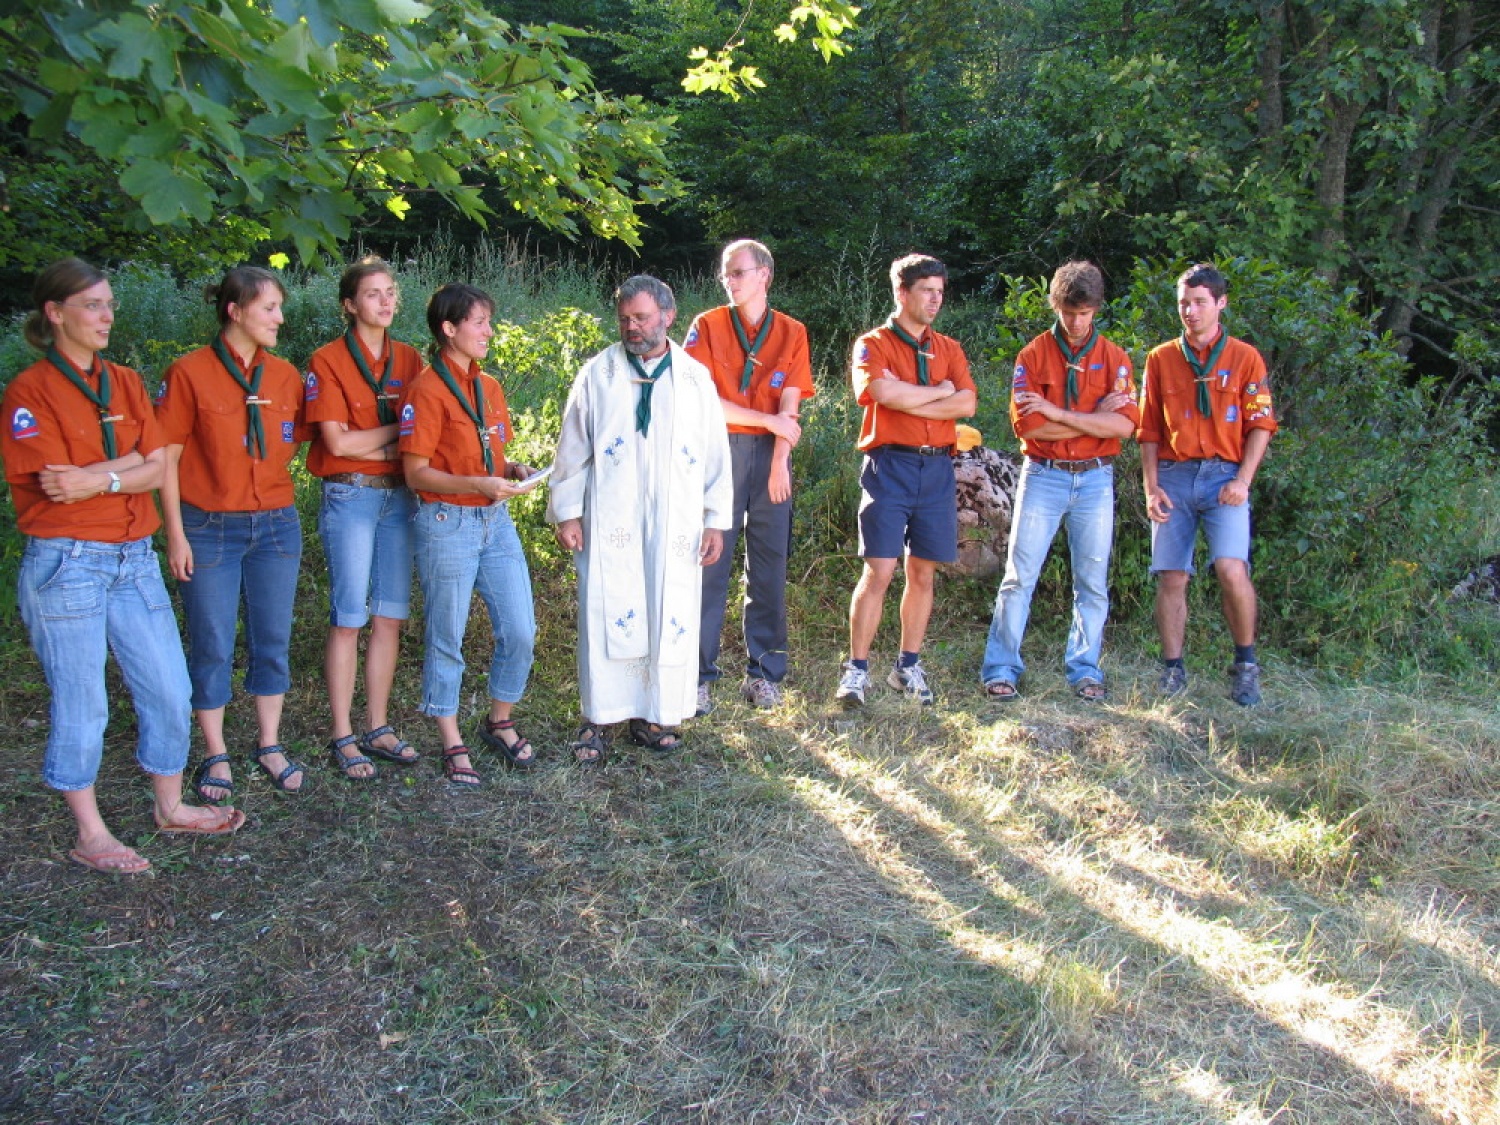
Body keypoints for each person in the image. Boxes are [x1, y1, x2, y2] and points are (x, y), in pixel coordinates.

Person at [1, 258, 244, 874]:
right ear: (55, 314)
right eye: (92, 305)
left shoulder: (127, 382)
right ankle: (91, 833)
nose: (106, 316)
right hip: (69, 563)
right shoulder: (31, 392)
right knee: (83, 702)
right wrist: (119, 475)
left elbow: (156, 465)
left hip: (134, 559)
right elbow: (59, 488)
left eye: (109, 304)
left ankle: (170, 806)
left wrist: (98, 477)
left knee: (169, 686)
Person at [548, 276, 732, 758]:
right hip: (610, 520)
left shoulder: (694, 379)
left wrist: (715, 519)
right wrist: (568, 513)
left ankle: (655, 715)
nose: (632, 327)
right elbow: (572, 448)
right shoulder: (598, 374)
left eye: (642, 317)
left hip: (678, 523)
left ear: (668, 316)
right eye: (625, 318)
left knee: (668, 611)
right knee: (605, 610)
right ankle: (598, 719)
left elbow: (716, 455)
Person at [158, 266, 311, 800]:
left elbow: (300, 442)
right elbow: (166, 459)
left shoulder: (286, 376)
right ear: (235, 311)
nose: (279, 317)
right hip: (207, 528)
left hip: (274, 525)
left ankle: (269, 744)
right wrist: (175, 536)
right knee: (213, 641)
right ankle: (215, 751)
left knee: (272, 638)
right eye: (269, 308)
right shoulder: (189, 373)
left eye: (279, 307)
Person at [399, 283, 539, 785]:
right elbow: (416, 473)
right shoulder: (426, 390)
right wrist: (477, 483)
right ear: (449, 329)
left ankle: (498, 720)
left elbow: (490, 452)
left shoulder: (490, 387)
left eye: (488, 321)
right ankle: (450, 738)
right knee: (446, 636)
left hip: (495, 521)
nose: (488, 331)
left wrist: (511, 468)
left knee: (521, 629)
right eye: (478, 322)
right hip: (447, 524)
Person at [980, 261, 1137, 702]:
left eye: (1084, 313)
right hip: (1044, 476)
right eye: (1069, 312)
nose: (1075, 322)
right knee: (1019, 576)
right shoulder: (1032, 355)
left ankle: (1085, 668)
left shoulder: (1114, 358)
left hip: (1094, 480)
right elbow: (1028, 429)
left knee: (1091, 581)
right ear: (1056, 305)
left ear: (1096, 310)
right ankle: (1001, 667)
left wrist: (1057, 413)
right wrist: (1094, 421)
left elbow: (1124, 428)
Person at [835, 254, 976, 707]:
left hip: (937, 468)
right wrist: (939, 393)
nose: (936, 299)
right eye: (926, 291)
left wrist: (909, 399)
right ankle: (856, 671)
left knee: (923, 571)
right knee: (879, 570)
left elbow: (967, 405)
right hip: (889, 466)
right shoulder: (873, 344)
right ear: (902, 292)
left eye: (940, 291)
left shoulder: (949, 348)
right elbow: (879, 393)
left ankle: (907, 666)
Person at [683, 239, 814, 714]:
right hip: (718, 452)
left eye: (738, 273)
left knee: (769, 566)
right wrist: (769, 423)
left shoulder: (792, 332)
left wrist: (780, 457)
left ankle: (763, 675)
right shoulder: (708, 326)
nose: (729, 281)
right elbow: (701, 401)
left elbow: (790, 405)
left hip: (771, 455)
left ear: (764, 275)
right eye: (725, 274)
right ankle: (695, 675)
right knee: (710, 562)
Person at [305, 257, 423, 779]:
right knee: (349, 616)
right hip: (349, 496)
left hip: (397, 498)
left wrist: (374, 440)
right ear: (350, 305)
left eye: (390, 292)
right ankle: (342, 734)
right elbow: (337, 443)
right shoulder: (327, 360)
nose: (386, 301)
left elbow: (416, 436)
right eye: (373, 294)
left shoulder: (410, 358)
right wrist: (399, 433)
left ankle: (376, 725)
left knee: (390, 616)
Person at [1139, 263, 1277, 705]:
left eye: (1200, 302)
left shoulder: (1244, 357)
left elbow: (1261, 423)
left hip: (1224, 476)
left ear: (1220, 303)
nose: (1190, 311)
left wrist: (1244, 480)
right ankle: (1173, 669)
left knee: (1230, 567)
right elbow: (1148, 431)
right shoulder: (1160, 358)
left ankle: (1246, 666)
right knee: (1172, 575)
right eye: (1184, 302)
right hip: (1175, 476)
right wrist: (1150, 486)